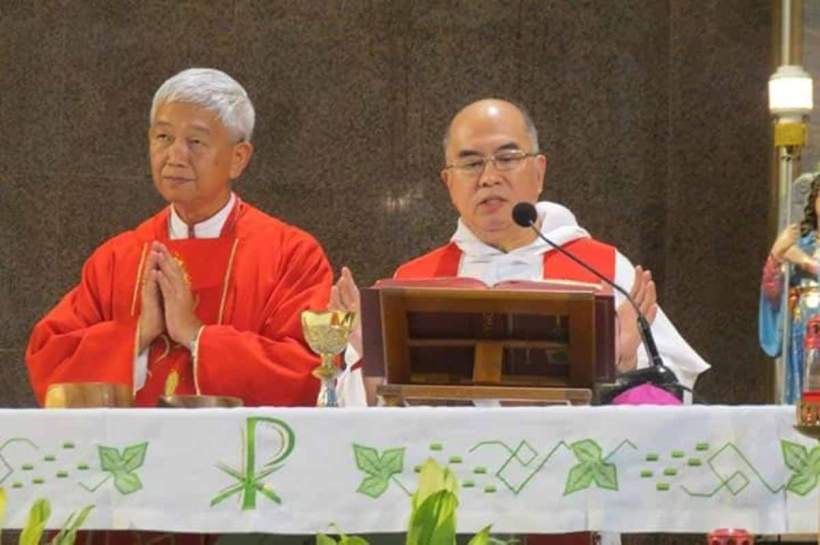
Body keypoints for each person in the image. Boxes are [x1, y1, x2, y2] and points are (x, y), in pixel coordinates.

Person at [333, 98, 710, 405]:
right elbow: (371, 421)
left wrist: (623, 366)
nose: (489, 177)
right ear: (448, 182)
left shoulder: (604, 269)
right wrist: (372, 364)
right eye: (470, 163)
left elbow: (668, 398)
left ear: (539, 171)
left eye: (508, 158)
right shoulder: (413, 280)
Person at [27, 68, 333, 408]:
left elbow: (309, 371)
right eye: (163, 138)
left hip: (241, 457)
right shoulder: (119, 257)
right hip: (129, 456)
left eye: (196, 142)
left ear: (238, 158)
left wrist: (194, 334)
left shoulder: (289, 255)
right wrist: (138, 333)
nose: (174, 156)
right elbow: (50, 360)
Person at [759, 174, 820, 404]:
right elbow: (774, 297)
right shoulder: (800, 246)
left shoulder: (800, 254)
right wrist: (775, 256)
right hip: (802, 334)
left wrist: (807, 263)